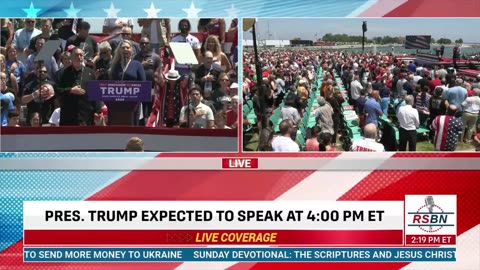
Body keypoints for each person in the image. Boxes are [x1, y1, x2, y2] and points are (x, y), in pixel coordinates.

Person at [56, 47, 101, 126]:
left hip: (86, 115)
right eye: (76, 55)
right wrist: (71, 90)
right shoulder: (63, 73)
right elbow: (58, 90)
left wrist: (98, 111)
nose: (79, 57)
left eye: (81, 55)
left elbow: (96, 94)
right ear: (71, 58)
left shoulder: (90, 72)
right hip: (68, 116)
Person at [108, 40, 146, 125]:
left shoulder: (137, 65)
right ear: (119, 50)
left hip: (134, 103)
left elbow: (143, 85)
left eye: (127, 48)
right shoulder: (114, 66)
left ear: (132, 50)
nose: (125, 49)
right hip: (116, 104)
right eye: (123, 48)